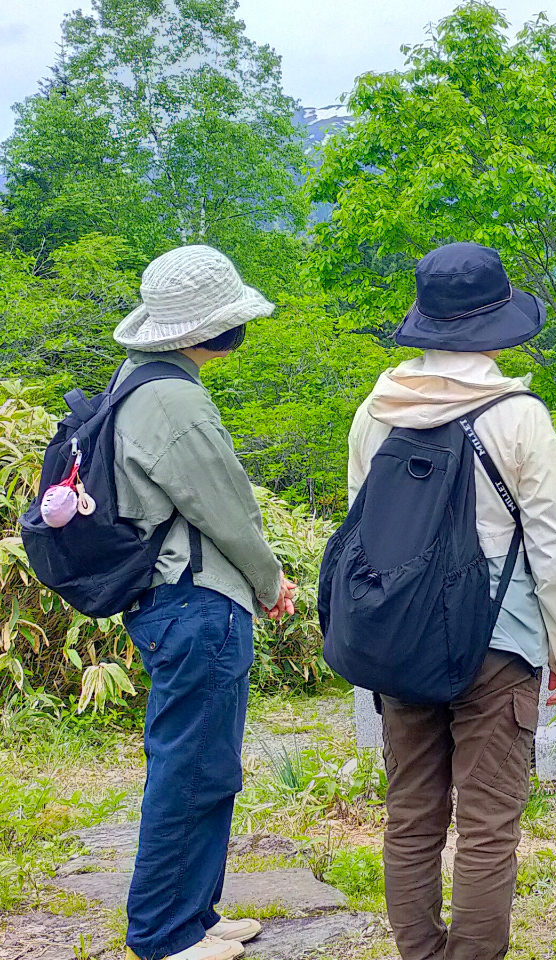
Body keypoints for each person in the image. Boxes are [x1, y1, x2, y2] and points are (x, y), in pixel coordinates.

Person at [347, 242, 556, 960]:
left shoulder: (376, 410)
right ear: (497, 327)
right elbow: (555, 548)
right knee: (488, 825)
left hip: (401, 639)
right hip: (498, 639)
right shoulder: (519, 418)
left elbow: (364, 527)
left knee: (411, 816)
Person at [114, 245, 298, 960]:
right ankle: (162, 935)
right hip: (198, 604)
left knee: (204, 765)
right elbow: (230, 513)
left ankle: (192, 916)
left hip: (169, 603)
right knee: (191, 766)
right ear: (209, 328)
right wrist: (271, 582)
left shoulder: (138, 378)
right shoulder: (177, 401)